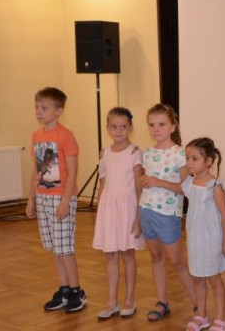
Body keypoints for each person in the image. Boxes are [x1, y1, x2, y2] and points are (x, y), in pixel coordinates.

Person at [26, 87, 86, 313]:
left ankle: (76, 291)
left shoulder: (65, 136)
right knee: (54, 248)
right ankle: (64, 289)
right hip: (43, 197)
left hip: (61, 198)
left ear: (59, 111)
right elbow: (36, 169)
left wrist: (65, 201)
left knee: (65, 248)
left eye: (44, 107)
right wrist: (31, 198)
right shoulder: (36, 136)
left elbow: (72, 172)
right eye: (37, 107)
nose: (38, 111)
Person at [139, 104, 197, 323]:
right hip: (147, 211)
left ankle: (198, 305)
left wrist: (159, 182)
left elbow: (186, 188)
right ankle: (162, 301)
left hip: (167, 214)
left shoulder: (180, 154)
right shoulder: (147, 153)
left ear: (172, 127)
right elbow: (143, 184)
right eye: (152, 125)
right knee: (156, 257)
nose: (156, 129)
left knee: (177, 261)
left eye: (161, 124)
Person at [181, 137, 225, 331]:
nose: (189, 162)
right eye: (187, 158)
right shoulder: (190, 182)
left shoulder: (214, 186)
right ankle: (201, 315)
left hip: (212, 239)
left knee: (214, 279)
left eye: (194, 158)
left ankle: (221, 319)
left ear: (208, 161)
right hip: (195, 240)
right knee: (198, 278)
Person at [92, 107, 145, 319]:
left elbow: (139, 186)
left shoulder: (134, 153)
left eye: (123, 127)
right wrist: (100, 213)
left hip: (128, 208)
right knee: (111, 255)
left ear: (130, 128)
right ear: (107, 128)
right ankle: (111, 301)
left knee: (128, 254)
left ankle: (129, 298)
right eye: (114, 127)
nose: (119, 131)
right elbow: (103, 184)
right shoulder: (104, 153)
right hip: (109, 208)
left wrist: (138, 216)